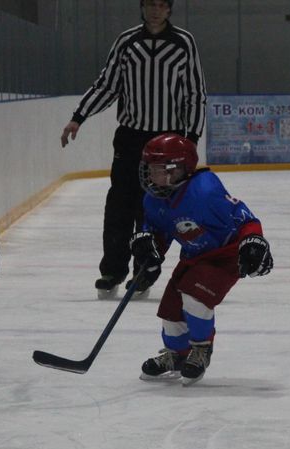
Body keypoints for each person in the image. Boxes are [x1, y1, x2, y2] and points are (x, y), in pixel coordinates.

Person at [61, 0, 207, 300]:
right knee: (119, 203)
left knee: (152, 206)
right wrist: (79, 117)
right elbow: (107, 85)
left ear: (169, 9)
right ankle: (112, 270)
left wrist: (190, 138)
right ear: (142, 7)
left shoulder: (183, 42)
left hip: (167, 140)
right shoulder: (127, 42)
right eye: (150, 4)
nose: (156, 10)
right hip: (129, 138)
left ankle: (145, 268)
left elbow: (195, 92)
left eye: (162, 5)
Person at [129, 133, 273, 386]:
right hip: (193, 256)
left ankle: (201, 350)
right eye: (149, 169)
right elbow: (158, 231)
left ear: (180, 169)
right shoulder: (154, 199)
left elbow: (247, 219)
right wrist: (148, 248)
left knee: (194, 299)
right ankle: (176, 354)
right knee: (171, 309)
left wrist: (253, 242)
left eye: (159, 169)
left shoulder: (205, 190)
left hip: (225, 256)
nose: (151, 176)